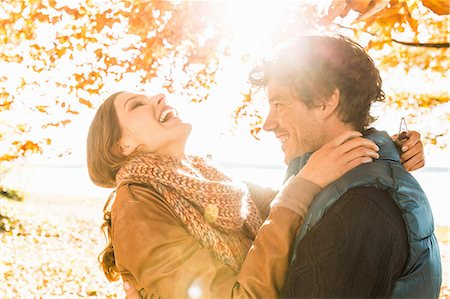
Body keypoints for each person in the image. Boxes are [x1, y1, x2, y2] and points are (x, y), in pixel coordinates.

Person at [87, 90, 384, 298]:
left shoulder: (208, 179)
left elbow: (306, 203)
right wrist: (303, 184)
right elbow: (294, 201)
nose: (159, 97)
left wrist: (384, 155)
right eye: (136, 105)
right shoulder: (137, 206)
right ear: (121, 146)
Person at [247, 35, 442, 298]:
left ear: (327, 102)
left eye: (279, 104)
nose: (267, 124)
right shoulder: (330, 186)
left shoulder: (360, 210)